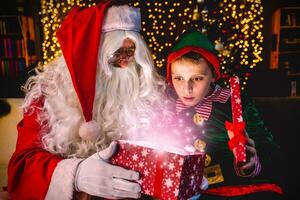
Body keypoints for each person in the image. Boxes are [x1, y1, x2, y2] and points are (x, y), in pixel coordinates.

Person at [6, 2, 171, 199]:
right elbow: (22, 165)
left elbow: (165, 147)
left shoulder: (149, 92)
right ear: (92, 55)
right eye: (116, 53)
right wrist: (75, 175)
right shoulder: (49, 93)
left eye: (131, 53)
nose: (125, 60)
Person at [165, 29, 285, 199]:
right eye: (179, 78)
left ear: (213, 75)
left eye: (197, 78)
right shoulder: (165, 105)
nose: (187, 88)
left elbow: (273, 154)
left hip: (232, 190)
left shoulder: (235, 102)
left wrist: (251, 161)